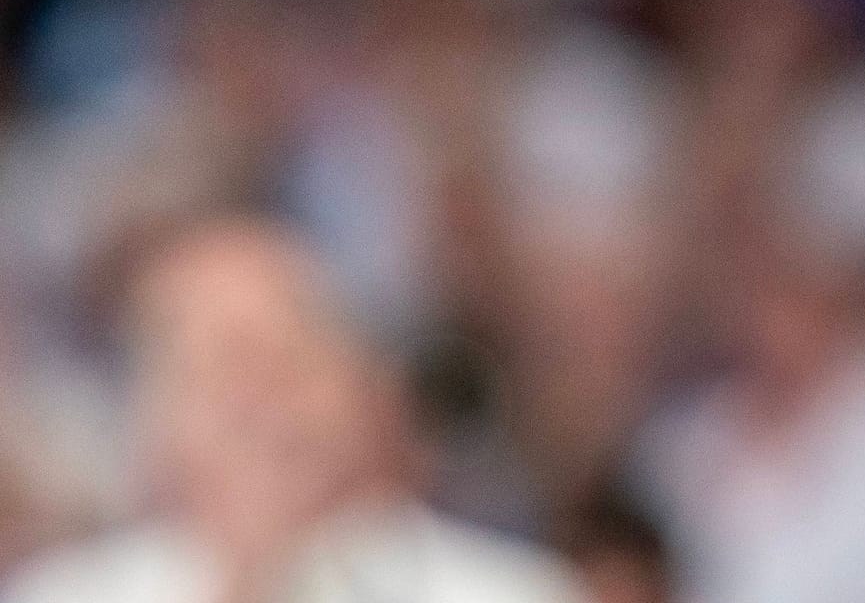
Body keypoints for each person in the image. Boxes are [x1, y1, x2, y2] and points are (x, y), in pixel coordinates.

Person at [2, 214, 588, 603]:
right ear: (150, 420)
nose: (253, 407)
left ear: (365, 391)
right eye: (212, 371)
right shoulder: (60, 596)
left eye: (283, 363)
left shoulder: (513, 594)